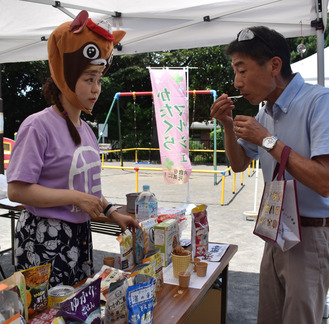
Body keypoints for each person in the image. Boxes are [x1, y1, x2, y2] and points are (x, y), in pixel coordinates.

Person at [6, 10, 139, 288]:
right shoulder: (38, 126)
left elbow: (89, 191)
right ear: (66, 77)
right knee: (49, 313)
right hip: (44, 239)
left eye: (99, 80)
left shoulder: (86, 130)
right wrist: (75, 198)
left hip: (79, 236)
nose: (96, 89)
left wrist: (113, 212)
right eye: (88, 79)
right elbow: (17, 190)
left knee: (77, 307)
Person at [210, 26, 329, 324]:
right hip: (276, 232)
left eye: (242, 70)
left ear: (274, 65)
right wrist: (227, 125)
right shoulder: (266, 113)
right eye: (235, 72)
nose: (237, 83)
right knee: (269, 317)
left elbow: (324, 182)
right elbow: (238, 164)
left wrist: (268, 140)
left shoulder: (320, 102)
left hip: (311, 234)